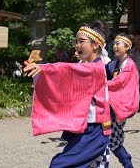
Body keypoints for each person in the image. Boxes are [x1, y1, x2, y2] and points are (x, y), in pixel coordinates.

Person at [24, 20, 112, 167]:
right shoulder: (85, 66)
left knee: (59, 164)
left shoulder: (96, 68)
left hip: (94, 130)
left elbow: (65, 70)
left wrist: (44, 69)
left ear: (96, 44)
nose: (77, 45)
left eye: (81, 41)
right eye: (76, 41)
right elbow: (67, 77)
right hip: (85, 126)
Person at [106, 33, 139, 168]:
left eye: (118, 44)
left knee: (112, 140)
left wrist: (100, 84)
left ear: (127, 48)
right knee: (110, 138)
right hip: (114, 105)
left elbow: (119, 82)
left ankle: (127, 163)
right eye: (114, 44)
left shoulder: (129, 64)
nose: (114, 46)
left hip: (121, 105)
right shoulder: (115, 64)